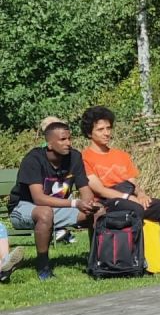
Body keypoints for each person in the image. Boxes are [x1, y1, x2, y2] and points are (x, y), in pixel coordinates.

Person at [79, 106, 160, 269]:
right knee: (135, 210)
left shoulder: (121, 155)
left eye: (108, 128)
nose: (107, 133)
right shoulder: (84, 158)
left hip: (130, 196)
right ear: (90, 133)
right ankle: (137, 260)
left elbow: (132, 183)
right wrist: (127, 197)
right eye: (100, 129)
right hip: (107, 201)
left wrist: (141, 194)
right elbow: (99, 189)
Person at [7, 118, 96, 281]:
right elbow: (39, 198)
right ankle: (43, 266)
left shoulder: (75, 157)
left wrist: (89, 204)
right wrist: (75, 203)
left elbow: (85, 189)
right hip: (24, 208)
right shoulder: (33, 159)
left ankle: (96, 261)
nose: (68, 143)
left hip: (57, 208)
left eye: (69, 138)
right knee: (45, 213)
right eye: (62, 139)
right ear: (49, 144)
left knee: (97, 212)